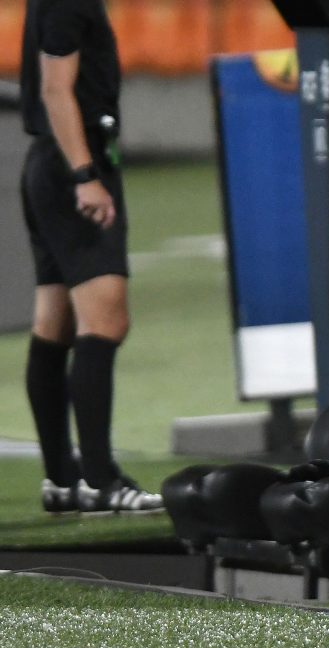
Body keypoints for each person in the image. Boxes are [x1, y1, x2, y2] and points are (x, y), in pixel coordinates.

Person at [20, 0, 162, 513]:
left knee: (53, 325)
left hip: (48, 164)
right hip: (72, 165)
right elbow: (55, 87)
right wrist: (85, 176)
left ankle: (61, 478)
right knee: (105, 324)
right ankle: (102, 481)